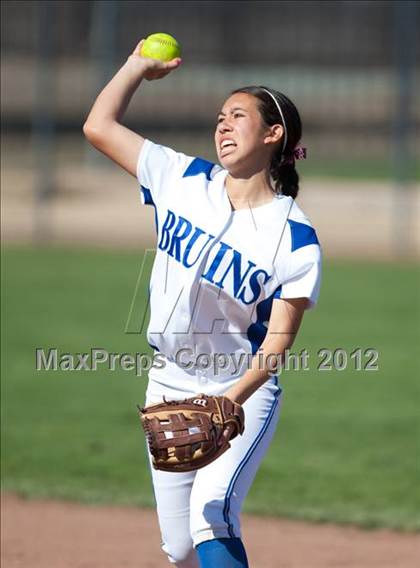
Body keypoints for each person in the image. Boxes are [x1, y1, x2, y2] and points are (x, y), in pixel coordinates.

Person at [84, 40, 322, 568]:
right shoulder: (182, 178)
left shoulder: (295, 237)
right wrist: (135, 67)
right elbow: (98, 126)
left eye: (237, 116)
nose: (223, 125)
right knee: (179, 547)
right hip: (167, 381)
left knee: (212, 515)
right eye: (219, 117)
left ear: (273, 133)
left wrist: (230, 402)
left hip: (238, 388)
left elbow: (280, 340)